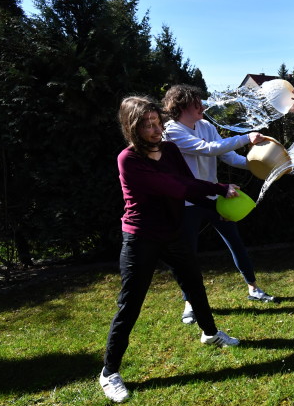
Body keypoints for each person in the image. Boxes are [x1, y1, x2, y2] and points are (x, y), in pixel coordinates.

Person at [100, 96, 240, 403]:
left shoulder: (171, 149)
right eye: (147, 124)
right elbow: (172, 187)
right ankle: (109, 372)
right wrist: (218, 189)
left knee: (194, 284)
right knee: (130, 304)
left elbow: (187, 183)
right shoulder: (129, 159)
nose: (155, 129)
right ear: (131, 126)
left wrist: (216, 207)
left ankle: (210, 333)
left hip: (173, 231)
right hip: (141, 238)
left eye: (157, 122)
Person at [161, 84, 276, 326]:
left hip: (214, 196)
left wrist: (258, 164)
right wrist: (245, 138)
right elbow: (207, 149)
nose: (202, 107)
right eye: (197, 103)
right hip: (188, 202)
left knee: (236, 242)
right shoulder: (171, 132)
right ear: (182, 106)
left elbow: (226, 156)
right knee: (188, 255)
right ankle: (189, 303)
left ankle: (253, 289)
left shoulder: (206, 126)